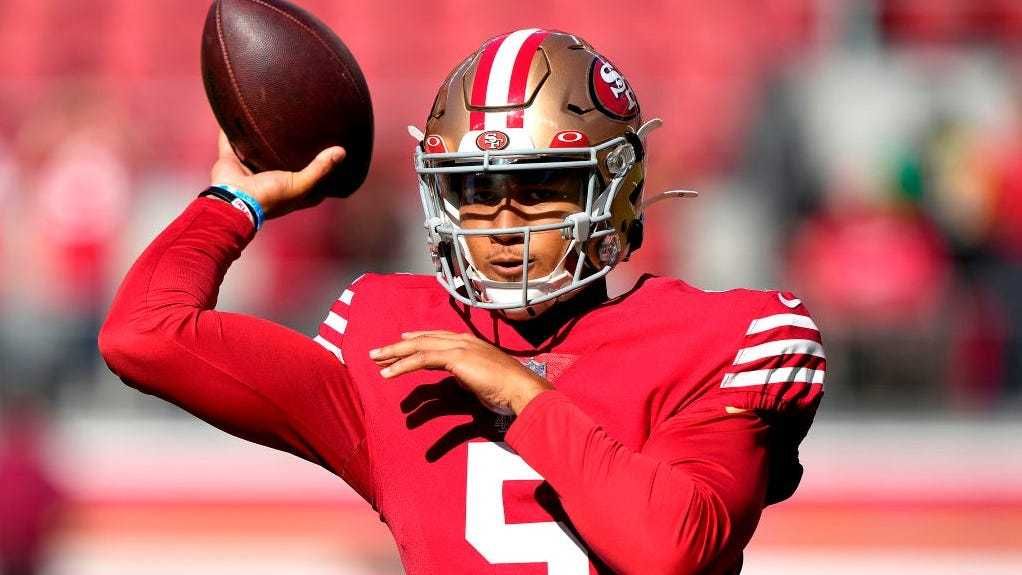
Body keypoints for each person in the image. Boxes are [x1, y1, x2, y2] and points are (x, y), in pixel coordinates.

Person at [99, 29, 825, 575]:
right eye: (476, 191)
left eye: (537, 190)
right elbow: (144, 337)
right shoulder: (393, 337)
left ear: (615, 191)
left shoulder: (724, 336)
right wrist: (232, 203)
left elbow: (672, 550)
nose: (503, 226)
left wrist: (525, 396)